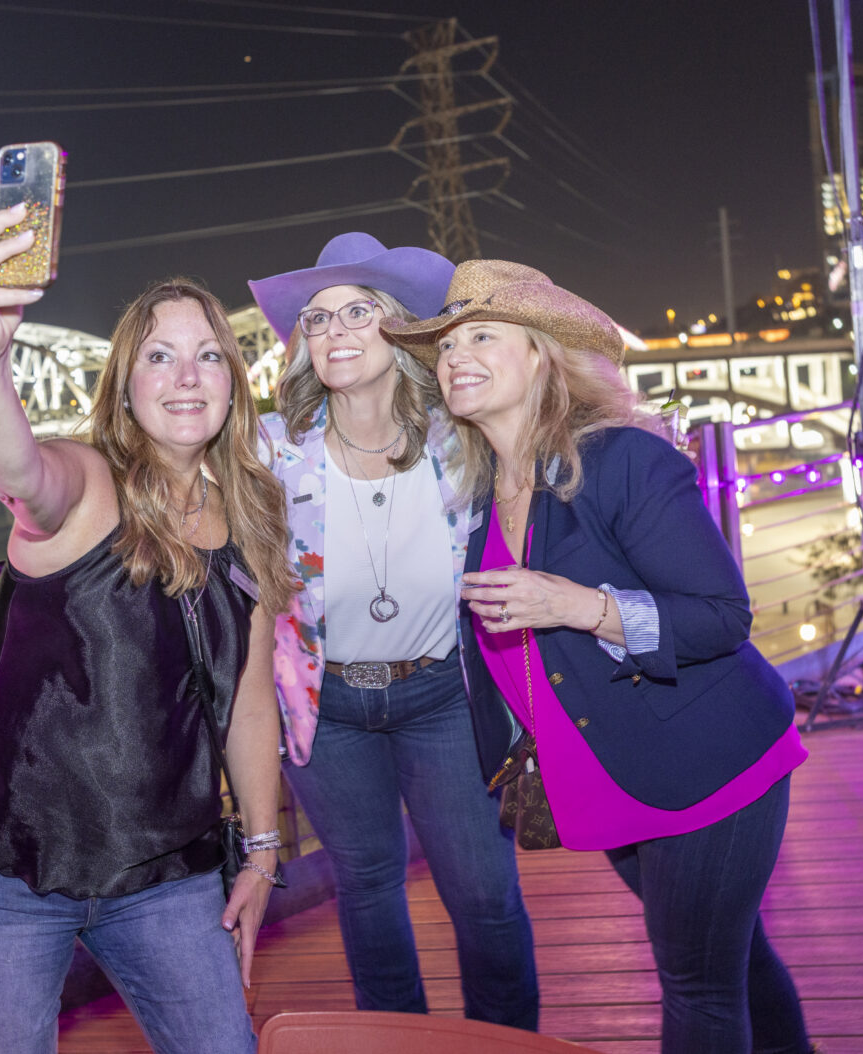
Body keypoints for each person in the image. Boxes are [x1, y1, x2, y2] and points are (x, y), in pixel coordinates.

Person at [385, 258, 813, 1054]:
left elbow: (721, 617)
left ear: (544, 353)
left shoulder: (623, 459)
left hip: (707, 764)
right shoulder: (486, 490)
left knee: (696, 986)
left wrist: (580, 607)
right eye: (445, 347)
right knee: (732, 962)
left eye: (482, 336)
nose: (454, 359)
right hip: (612, 773)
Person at [0, 204, 294, 1054]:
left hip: (164, 868)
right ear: (125, 385)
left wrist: (262, 850)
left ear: (233, 381)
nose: (186, 377)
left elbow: (251, 701)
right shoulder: (84, 487)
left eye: (207, 357)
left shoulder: (254, 511)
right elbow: (16, 471)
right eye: (160, 357)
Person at [246, 233, 539, 1026]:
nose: (335, 330)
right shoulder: (271, 453)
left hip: (444, 695)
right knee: (368, 892)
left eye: (358, 310)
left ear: (401, 327)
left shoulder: (462, 438)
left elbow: (562, 419)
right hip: (325, 709)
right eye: (317, 318)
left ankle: (506, 1047)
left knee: (483, 894)